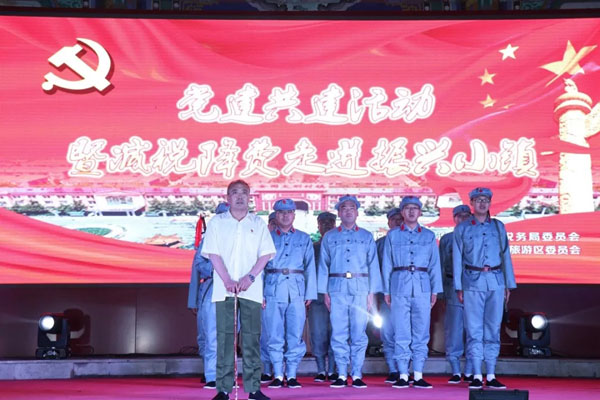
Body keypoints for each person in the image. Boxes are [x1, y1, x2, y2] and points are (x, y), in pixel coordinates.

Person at [202, 180, 276, 400]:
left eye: (244, 192)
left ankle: (253, 388)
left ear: (250, 197)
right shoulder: (217, 222)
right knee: (225, 339)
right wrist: (226, 279)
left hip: (251, 289)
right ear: (228, 198)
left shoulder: (258, 223)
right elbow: (213, 253)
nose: (240, 196)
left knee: (252, 338)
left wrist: (250, 277)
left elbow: (266, 254)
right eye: (235, 193)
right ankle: (223, 389)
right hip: (224, 289)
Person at [452, 187, 517, 390]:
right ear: (471, 203)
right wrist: (458, 287)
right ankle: (476, 374)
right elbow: (457, 259)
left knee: (493, 329)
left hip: (496, 282)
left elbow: (506, 256)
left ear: (490, 203)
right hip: (472, 282)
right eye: (478, 200)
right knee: (474, 330)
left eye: (485, 200)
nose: (482, 203)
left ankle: (491, 373)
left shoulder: (498, 226)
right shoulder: (463, 228)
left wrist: (508, 284)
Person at [317, 195, 382, 389]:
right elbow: (323, 266)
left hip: (360, 288)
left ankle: (357, 373)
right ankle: (341, 374)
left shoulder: (366, 236)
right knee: (339, 332)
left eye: (351, 207)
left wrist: (372, 293)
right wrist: (325, 292)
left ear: (357, 212)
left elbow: (373, 265)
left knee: (359, 333)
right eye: (343, 208)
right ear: (338, 212)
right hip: (336, 288)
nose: (347, 211)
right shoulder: (330, 237)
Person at [381, 196, 442, 389]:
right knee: (401, 331)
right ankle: (403, 375)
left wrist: (435, 290)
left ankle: (418, 374)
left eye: (415, 208)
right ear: (402, 212)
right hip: (399, 285)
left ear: (420, 212)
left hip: (423, 286)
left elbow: (434, 265)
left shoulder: (428, 235)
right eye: (407, 208)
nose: (411, 211)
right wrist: (386, 290)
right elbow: (387, 265)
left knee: (421, 332)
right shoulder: (393, 235)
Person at [264, 199, 317, 389]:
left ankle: (292, 374)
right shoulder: (266, 237)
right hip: (272, 289)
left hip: (297, 290)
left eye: (289, 212)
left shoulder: (304, 238)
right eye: (281, 212)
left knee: (295, 334)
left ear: (294, 215)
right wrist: (259, 293)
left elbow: (310, 267)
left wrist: (310, 293)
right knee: (274, 334)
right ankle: (278, 374)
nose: (285, 216)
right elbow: (259, 267)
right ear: (275, 215)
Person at [187, 202, 230, 390]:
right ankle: (211, 374)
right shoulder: (209, 240)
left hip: (234, 290)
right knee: (210, 335)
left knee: (230, 335)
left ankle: (226, 373)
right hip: (212, 288)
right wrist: (193, 300)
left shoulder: (244, 238)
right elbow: (198, 266)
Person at [439, 205, 474, 383]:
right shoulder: (447, 239)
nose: (462, 219)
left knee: (473, 329)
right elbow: (441, 266)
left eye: (466, 216)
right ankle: (455, 370)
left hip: (474, 287)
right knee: (454, 329)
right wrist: (441, 293)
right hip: (452, 287)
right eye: (459, 216)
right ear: (454, 218)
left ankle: (470, 370)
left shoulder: (477, 236)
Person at [307, 211, 338, 383]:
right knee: (318, 333)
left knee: (336, 333)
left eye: (330, 221)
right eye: (323, 222)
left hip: (338, 295)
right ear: (317, 226)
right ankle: (320, 369)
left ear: (335, 224)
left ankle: (332, 370)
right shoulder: (312, 247)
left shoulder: (340, 246)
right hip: (317, 297)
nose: (327, 224)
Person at [375, 207, 403, 384]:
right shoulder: (380, 243)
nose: (398, 222)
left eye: (401, 219)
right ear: (388, 222)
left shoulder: (410, 240)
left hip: (407, 293)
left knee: (406, 333)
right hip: (385, 295)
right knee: (388, 333)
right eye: (394, 219)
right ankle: (393, 369)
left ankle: (405, 369)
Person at [260, 212, 277, 384]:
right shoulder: (261, 242)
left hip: (289, 293)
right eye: (273, 223)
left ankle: (283, 371)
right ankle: (266, 369)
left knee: (285, 334)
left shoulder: (296, 240)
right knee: (266, 334)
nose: (276, 226)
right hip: (266, 293)